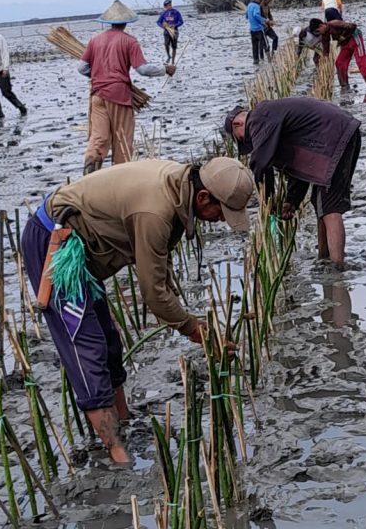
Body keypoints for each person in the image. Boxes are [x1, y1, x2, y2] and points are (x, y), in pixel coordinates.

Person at [22, 156, 253, 464]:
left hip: (79, 245)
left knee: (109, 340)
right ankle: (118, 455)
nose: (222, 220)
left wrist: (187, 318)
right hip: (56, 243)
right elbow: (153, 293)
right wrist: (197, 331)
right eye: (221, 211)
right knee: (87, 346)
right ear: (202, 197)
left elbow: (159, 268)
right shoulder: (155, 211)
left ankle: (124, 420)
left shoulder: (178, 185)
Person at [224, 97, 361, 270]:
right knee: (320, 202)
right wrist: (292, 201)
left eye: (240, 139)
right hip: (341, 132)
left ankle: (337, 268)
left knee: (329, 206)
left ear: (237, 124)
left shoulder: (258, 118)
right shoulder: (271, 118)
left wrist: (268, 202)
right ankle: (324, 259)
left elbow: (261, 163)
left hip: (334, 135)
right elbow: (301, 165)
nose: (247, 142)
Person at [78, 0, 176, 175]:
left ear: (109, 22)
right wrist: (164, 69)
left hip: (97, 95)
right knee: (122, 139)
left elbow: (82, 68)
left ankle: (89, 173)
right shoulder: (129, 41)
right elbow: (142, 69)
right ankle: (120, 176)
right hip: (118, 96)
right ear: (126, 22)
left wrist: (98, 75)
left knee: (99, 138)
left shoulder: (95, 40)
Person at [302, 18, 366, 88]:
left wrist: (343, 36)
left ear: (321, 25)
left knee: (361, 62)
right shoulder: (324, 35)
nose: (318, 33)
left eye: (318, 31)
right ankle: (344, 85)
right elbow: (326, 50)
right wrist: (324, 60)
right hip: (345, 44)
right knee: (340, 63)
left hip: (355, 38)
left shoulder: (334, 23)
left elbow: (353, 26)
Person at [246, 0, 267, 64]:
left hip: (252, 30)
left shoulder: (249, 5)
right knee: (265, 44)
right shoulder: (256, 6)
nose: (261, 2)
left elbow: (246, 16)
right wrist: (264, 21)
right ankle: (268, 60)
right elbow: (256, 15)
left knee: (254, 46)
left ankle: (256, 60)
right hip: (259, 29)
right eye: (261, 0)